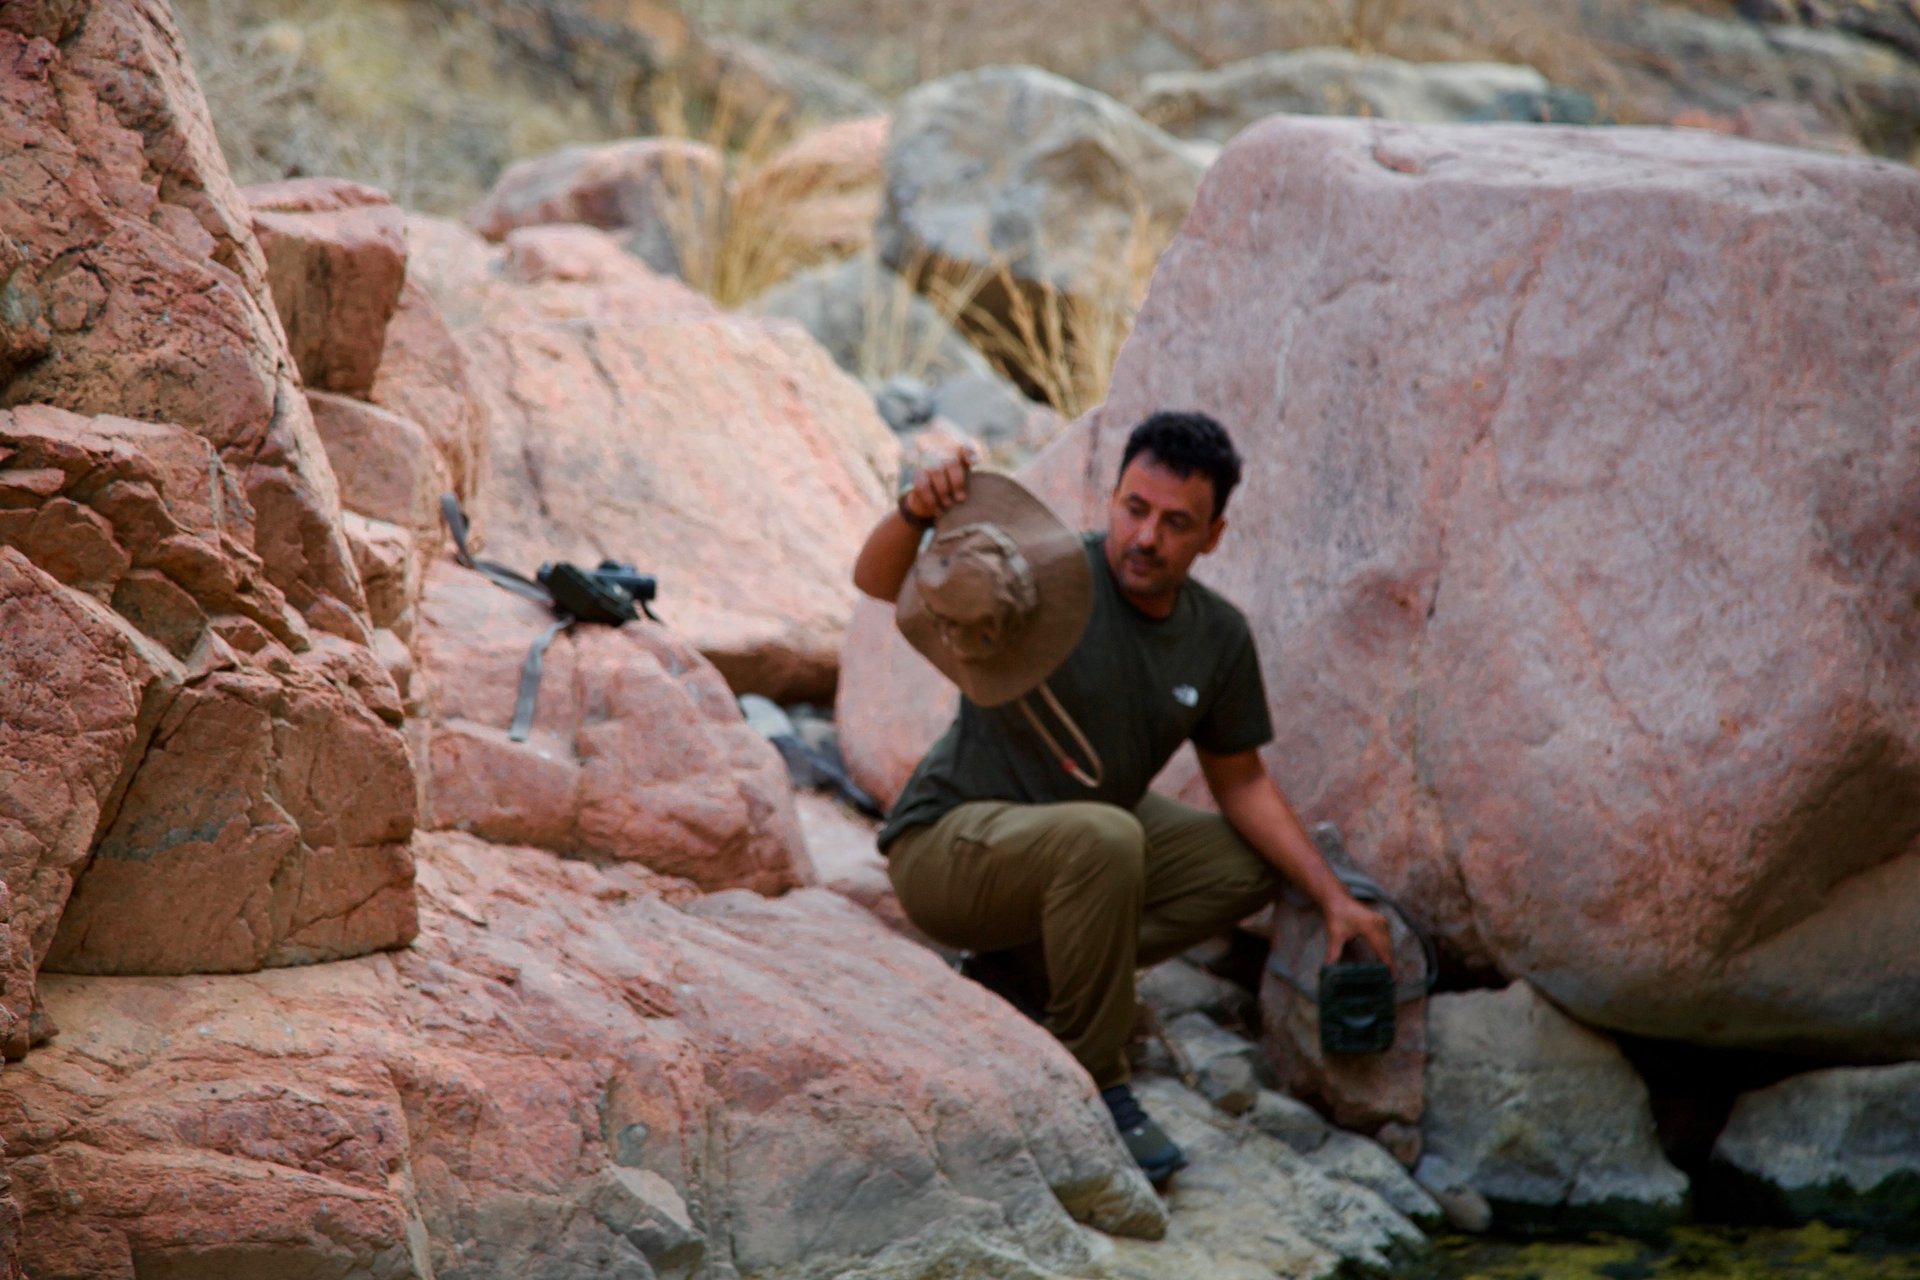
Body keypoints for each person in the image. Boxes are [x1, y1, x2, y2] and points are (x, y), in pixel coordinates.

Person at [851, 411, 1393, 1183]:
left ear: (1214, 536)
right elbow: (876, 583)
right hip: (949, 847)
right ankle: (1092, 1082)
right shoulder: (1045, 575)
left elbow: (1241, 782)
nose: (1147, 538)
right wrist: (915, 511)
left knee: (1243, 867)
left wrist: (1334, 899)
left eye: (1177, 524)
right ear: (1111, 499)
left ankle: (1027, 975)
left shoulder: (1218, 637)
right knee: (1107, 839)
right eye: (1134, 509)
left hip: (1078, 839)